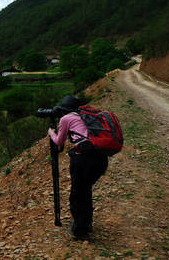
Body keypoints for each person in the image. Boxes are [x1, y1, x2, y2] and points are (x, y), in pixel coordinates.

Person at [48, 95, 108, 240]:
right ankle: (86, 224)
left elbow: (59, 142)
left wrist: (51, 133)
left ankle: (80, 231)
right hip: (101, 158)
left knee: (77, 194)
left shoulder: (66, 119)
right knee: (85, 191)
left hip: (83, 157)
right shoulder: (85, 116)